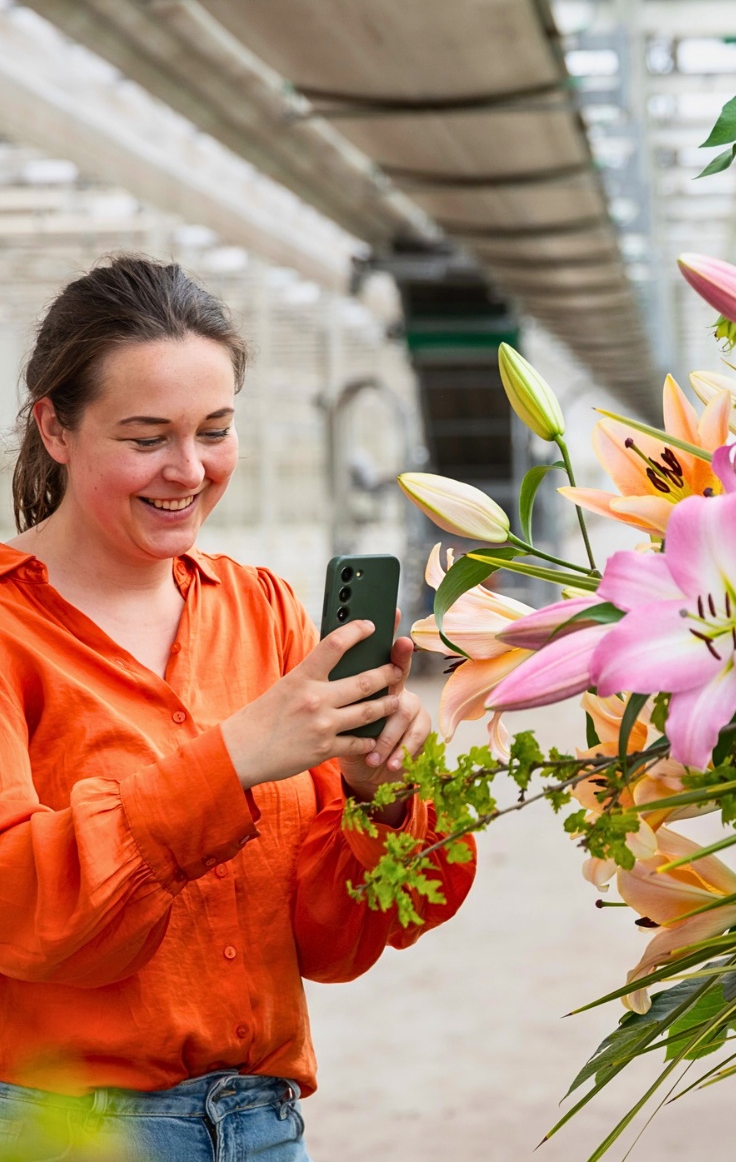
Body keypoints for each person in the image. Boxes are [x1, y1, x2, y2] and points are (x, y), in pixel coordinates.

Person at [0, 256, 475, 1161]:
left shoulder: (261, 612)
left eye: (215, 430)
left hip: (261, 1128)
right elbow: (17, 905)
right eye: (146, 437)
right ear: (54, 427)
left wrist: (379, 796)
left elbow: (330, 943)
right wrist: (232, 760)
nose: (188, 470)